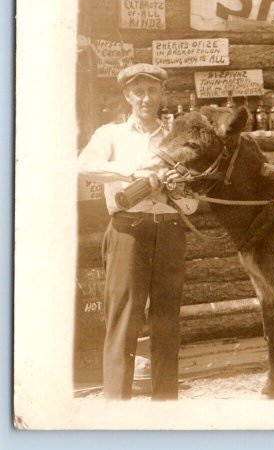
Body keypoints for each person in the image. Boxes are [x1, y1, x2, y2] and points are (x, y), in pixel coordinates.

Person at [77, 63, 186, 399]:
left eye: (152, 90)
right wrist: (132, 173)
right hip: (129, 231)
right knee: (123, 317)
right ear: (127, 95)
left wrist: (178, 187)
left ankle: (165, 403)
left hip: (169, 229)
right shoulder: (110, 134)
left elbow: (192, 201)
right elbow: (84, 167)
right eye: (138, 91)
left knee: (167, 319)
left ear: (161, 94)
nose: (146, 98)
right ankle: (117, 405)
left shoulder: (174, 137)